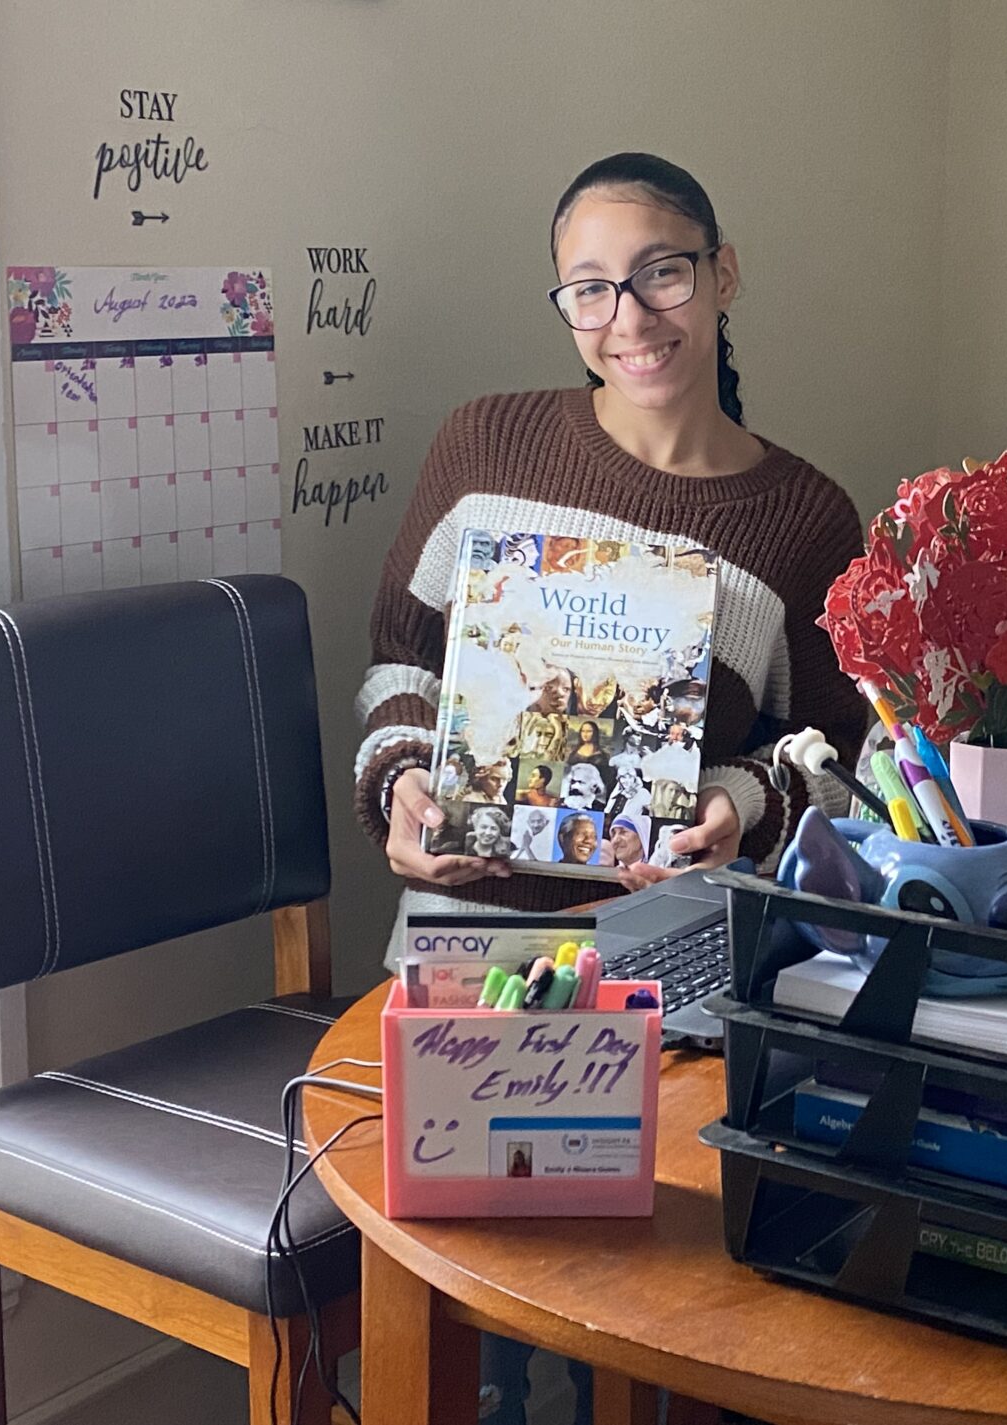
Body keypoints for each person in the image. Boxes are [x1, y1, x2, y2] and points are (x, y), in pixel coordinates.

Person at [352, 151, 869, 1425]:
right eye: (589, 290)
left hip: (661, 948)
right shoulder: (486, 443)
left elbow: (839, 764)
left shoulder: (804, 517)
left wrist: (738, 812)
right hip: (468, 928)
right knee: (464, 1269)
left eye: (661, 275)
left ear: (721, 272)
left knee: (627, 1301)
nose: (629, 321)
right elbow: (399, 662)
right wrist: (406, 787)